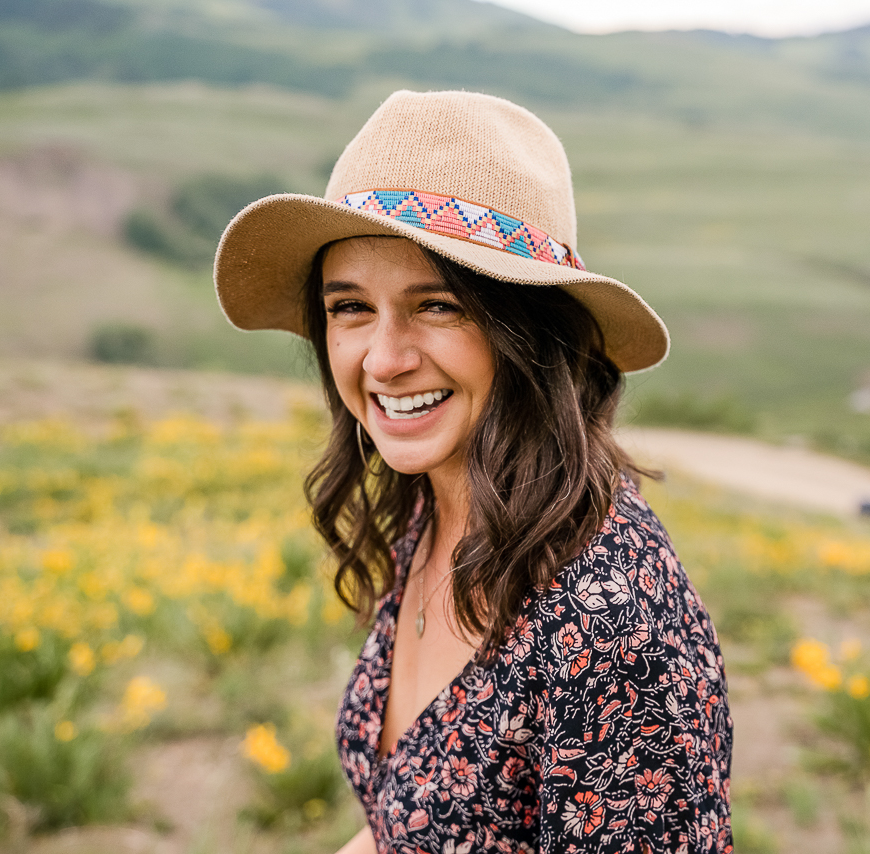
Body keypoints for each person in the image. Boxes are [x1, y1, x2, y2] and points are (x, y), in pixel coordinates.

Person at [214, 90, 732, 854]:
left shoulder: (611, 631)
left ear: (528, 333)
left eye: (439, 307)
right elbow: (404, 822)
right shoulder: (436, 502)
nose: (385, 360)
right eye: (350, 307)